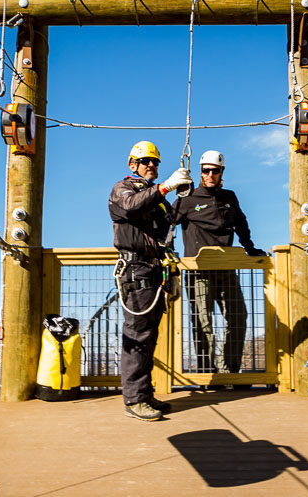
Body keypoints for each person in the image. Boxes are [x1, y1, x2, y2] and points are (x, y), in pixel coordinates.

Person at [108, 140, 191, 421]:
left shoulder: (155, 196)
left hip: (153, 268)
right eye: (146, 162)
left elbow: (168, 225)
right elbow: (131, 208)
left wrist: (180, 195)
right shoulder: (123, 189)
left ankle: (143, 394)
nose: (152, 165)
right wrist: (166, 187)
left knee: (149, 334)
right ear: (133, 164)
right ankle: (133, 400)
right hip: (136, 268)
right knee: (137, 334)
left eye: (154, 162)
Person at [171, 150, 266, 376]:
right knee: (203, 322)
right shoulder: (187, 198)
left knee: (238, 316)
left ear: (222, 172)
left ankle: (229, 370)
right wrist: (167, 250)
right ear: (200, 172)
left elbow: (241, 224)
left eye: (215, 170)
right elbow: (167, 224)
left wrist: (250, 247)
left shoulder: (229, 198)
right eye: (206, 170)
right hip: (197, 270)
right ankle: (206, 371)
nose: (210, 174)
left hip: (226, 267)